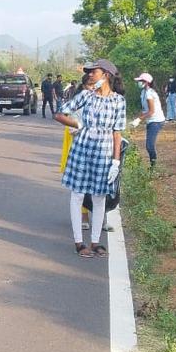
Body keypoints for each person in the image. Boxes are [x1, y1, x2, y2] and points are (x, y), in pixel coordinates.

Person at [55, 59, 126, 258]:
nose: (90, 75)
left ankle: (95, 242)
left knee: (99, 197)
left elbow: (117, 133)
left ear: (106, 75)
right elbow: (60, 114)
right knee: (77, 195)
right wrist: (78, 124)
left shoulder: (118, 101)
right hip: (81, 150)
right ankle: (79, 242)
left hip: (104, 153)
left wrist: (116, 161)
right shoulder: (86, 96)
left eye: (93, 72)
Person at [131, 72, 165, 167]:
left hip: (156, 121)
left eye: (141, 81)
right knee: (149, 145)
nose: (139, 82)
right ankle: (153, 165)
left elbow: (151, 111)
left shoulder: (150, 93)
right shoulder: (143, 92)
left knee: (149, 146)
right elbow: (145, 110)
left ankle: (153, 166)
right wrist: (137, 118)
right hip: (151, 120)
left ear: (146, 82)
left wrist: (139, 119)